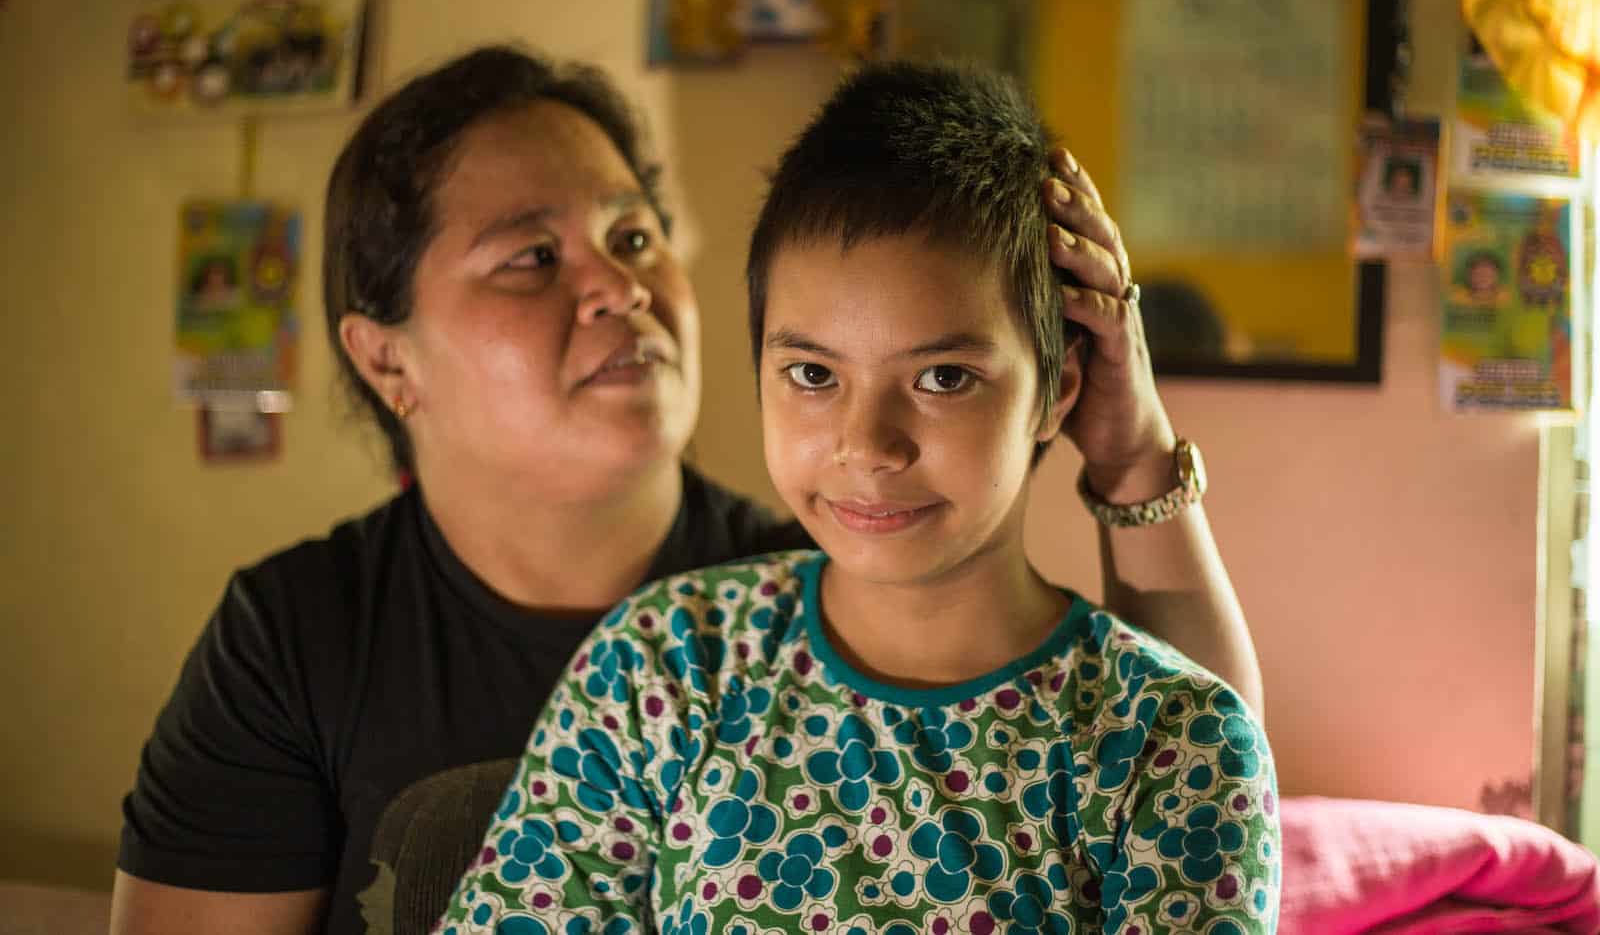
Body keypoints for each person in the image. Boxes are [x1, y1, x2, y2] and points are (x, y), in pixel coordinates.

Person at [112, 47, 1260, 935]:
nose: (619, 285)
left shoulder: (869, 583)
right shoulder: (662, 665)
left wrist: (1132, 443)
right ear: (386, 358)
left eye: (633, 233)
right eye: (530, 255)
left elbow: (1201, 753)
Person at [438, 62, 1277, 934]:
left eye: (944, 376)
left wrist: (1136, 452)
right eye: (811, 373)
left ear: (1057, 389)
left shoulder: (1168, 739)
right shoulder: (664, 668)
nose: (867, 445)